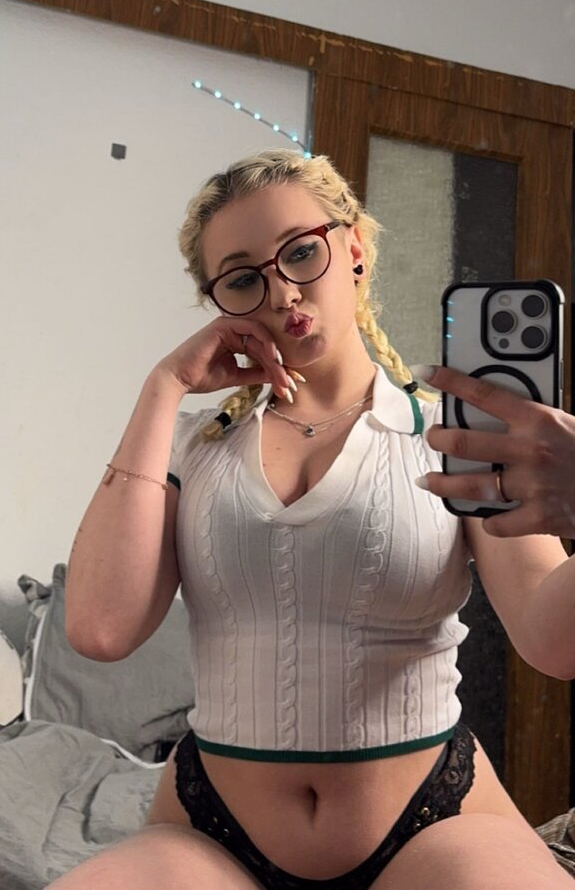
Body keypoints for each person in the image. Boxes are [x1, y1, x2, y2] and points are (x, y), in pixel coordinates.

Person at [48, 149, 574, 890]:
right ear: (220, 303)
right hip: (212, 831)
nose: (284, 291)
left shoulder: (456, 436)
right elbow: (101, 629)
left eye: (301, 252)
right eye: (243, 279)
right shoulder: (192, 445)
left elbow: (555, 642)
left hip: (430, 818)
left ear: (353, 248)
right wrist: (162, 387)